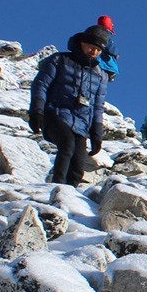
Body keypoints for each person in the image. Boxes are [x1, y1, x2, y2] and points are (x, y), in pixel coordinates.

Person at [29, 24, 111, 187]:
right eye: (91, 46)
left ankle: (68, 199)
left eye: (98, 49)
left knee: (77, 166)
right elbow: (41, 84)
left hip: (81, 125)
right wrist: (37, 111)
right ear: (82, 42)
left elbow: (97, 107)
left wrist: (97, 135)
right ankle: (57, 188)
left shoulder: (100, 76)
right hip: (54, 115)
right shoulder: (60, 60)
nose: (93, 52)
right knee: (67, 144)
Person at [96, 15, 119, 81]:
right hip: (103, 57)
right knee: (110, 64)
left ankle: (108, 73)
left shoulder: (96, 33)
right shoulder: (106, 35)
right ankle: (110, 73)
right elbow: (109, 46)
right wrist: (116, 53)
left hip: (98, 55)